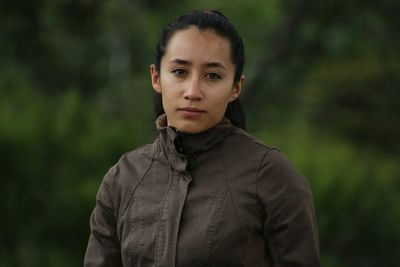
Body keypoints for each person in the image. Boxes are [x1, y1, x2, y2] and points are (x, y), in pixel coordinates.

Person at [84, 9, 320, 267]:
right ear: (156, 77)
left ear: (235, 88)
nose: (193, 91)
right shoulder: (123, 179)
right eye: (179, 72)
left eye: (212, 76)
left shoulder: (270, 175)